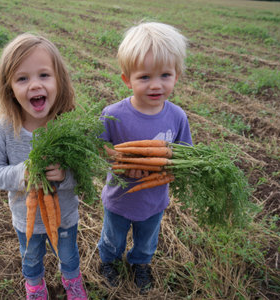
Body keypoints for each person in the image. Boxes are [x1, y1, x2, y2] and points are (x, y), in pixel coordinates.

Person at [0, 33, 88, 300]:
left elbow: (85, 173)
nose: (34, 85)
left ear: (59, 81)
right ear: (9, 89)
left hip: (64, 217)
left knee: (68, 254)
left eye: (44, 75)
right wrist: (22, 173)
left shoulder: (68, 126)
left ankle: (72, 282)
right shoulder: (4, 129)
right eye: (22, 78)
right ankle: (35, 286)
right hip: (24, 217)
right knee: (30, 258)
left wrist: (64, 176)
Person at [97, 22, 193, 293]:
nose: (156, 85)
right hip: (119, 196)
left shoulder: (177, 116)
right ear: (127, 79)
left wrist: (166, 169)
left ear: (177, 75)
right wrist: (121, 162)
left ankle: (140, 263)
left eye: (165, 75)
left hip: (154, 198)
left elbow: (184, 153)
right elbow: (98, 148)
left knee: (147, 239)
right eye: (144, 77)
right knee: (112, 237)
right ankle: (109, 261)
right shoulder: (113, 114)